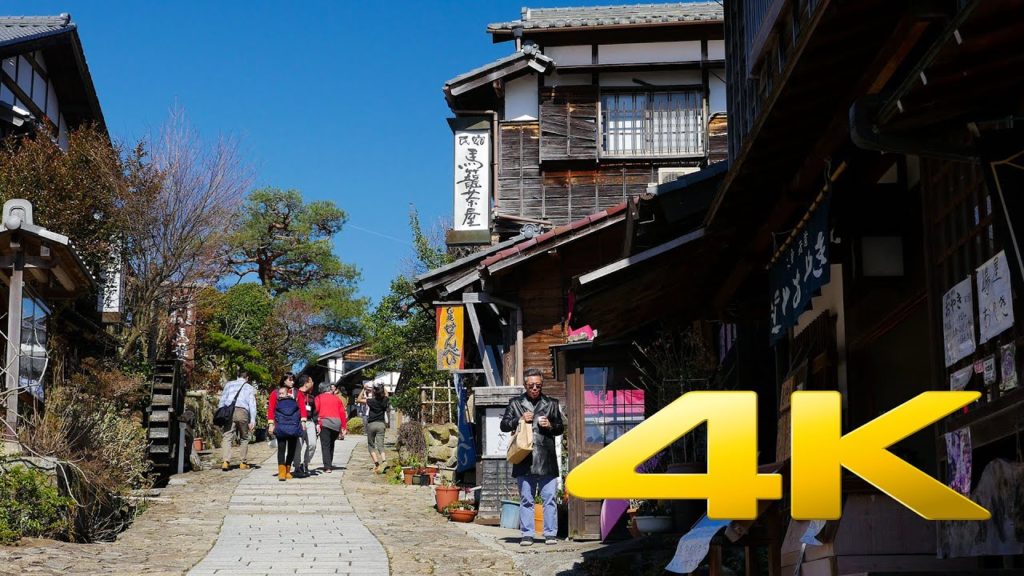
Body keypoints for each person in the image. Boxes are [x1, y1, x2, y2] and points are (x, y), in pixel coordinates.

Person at [500, 368, 565, 546]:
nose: (535, 388)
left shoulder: (552, 403)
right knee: (526, 499)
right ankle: (527, 534)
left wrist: (551, 424)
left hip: (546, 458)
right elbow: (504, 425)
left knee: (549, 499)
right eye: (531, 386)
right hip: (524, 458)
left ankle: (550, 534)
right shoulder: (516, 403)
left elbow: (560, 428)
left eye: (538, 385)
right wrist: (519, 419)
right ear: (525, 386)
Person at [267, 372, 308, 481]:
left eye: (293, 379)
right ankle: (281, 471)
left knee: (291, 449)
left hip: (294, 425)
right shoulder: (275, 393)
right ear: (284, 380)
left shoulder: (297, 393)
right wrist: (271, 424)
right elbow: (271, 409)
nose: (292, 382)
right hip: (280, 425)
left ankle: (288, 470)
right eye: (290, 379)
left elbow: (302, 408)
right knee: (281, 448)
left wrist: (303, 421)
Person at [218, 370, 257, 471]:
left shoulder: (229, 384)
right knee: (244, 437)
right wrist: (252, 419)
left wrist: (221, 413)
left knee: (227, 436)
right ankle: (242, 462)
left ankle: (226, 462)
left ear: (237, 376)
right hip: (242, 411)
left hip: (229, 412)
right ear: (247, 378)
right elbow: (252, 404)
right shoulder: (249, 387)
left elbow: (222, 400)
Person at [315, 382, 348, 472]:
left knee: (325, 445)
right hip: (336, 424)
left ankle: (327, 466)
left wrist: (316, 422)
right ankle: (329, 463)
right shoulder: (337, 399)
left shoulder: (318, 398)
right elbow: (342, 413)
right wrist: (344, 427)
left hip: (324, 422)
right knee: (331, 444)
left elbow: (316, 410)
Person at [295, 375, 319, 478]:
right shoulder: (295, 394)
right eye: (311, 381)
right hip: (297, 422)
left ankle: (305, 463)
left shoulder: (312, 397)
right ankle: (297, 466)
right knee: (298, 446)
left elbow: (314, 412)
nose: (313, 383)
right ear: (306, 383)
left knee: (312, 444)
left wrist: (317, 423)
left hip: (310, 422)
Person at [365, 383, 389, 473]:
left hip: (371, 424)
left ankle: (377, 464)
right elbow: (387, 394)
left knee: (371, 445)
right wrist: (383, 387)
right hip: (381, 424)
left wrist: (364, 390)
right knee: (380, 445)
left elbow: (359, 399)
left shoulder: (371, 401)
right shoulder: (385, 400)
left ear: (374, 392)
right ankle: (384, 461)